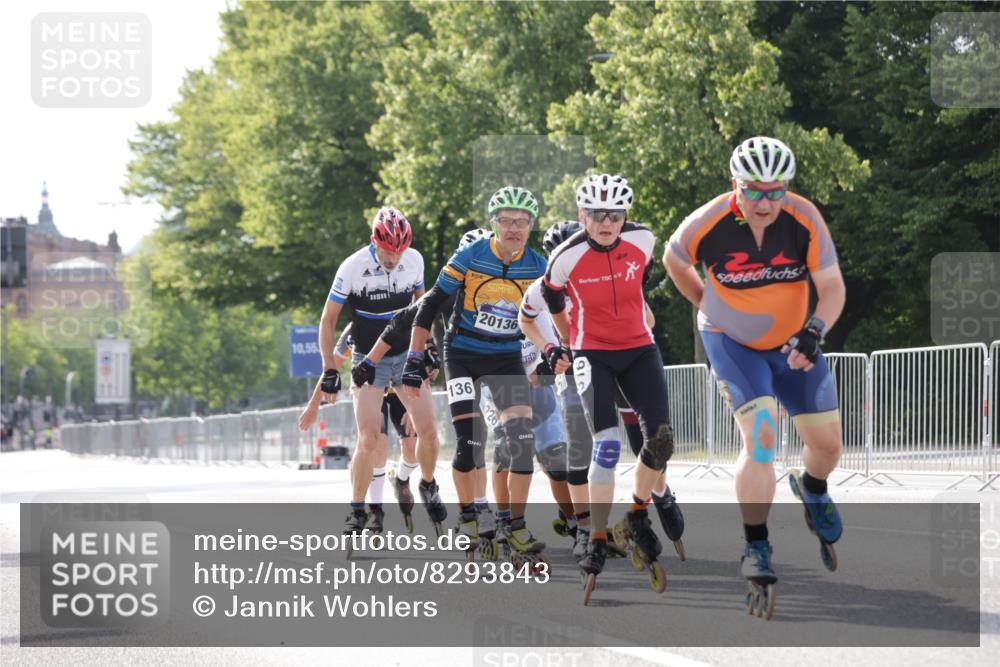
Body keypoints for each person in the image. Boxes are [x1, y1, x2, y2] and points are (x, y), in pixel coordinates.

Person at [663, 136, 846, 610]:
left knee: (829, 447)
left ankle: (812, 486)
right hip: (733, 344)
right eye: (754, 190)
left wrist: (815, 330)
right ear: (735, 186)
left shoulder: (804, 218)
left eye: (775, 190)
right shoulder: (709, 221)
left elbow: (831, 287)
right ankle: (756, 543)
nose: (765, 202)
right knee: (763, 439)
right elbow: (673, 258)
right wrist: (704, 299)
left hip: (793, 344)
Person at [522, 220, 685, 563]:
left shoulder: (608, 271)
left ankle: (661, 492)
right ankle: (587, 531)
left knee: (648, 440)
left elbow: (649, 321)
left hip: (621, 358)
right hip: (578, 367)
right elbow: (526, 319)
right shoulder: (543, 287)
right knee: (585, 448)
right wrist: (552, 348)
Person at [401, 186, 549, 560]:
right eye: (506, 221)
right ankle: (467, 515)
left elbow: (557, 310)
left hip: (506, 357)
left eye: (522, 222)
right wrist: (415, 358)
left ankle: (514, 526)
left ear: (531, 225)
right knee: (469, 444)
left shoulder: (538, 265)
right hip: (464, 354)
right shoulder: (472, 254)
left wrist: (558, 348)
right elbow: (430, 303)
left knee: (521, 444)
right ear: (493, 224)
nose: (514, 228)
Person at [318, 206, 442, 537]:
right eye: (387, 251)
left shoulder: (414, 260)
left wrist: (427, 349)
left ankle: (427, 484)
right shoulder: (353, 267)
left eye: (398, 251)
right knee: (368, 438)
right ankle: (357, 510)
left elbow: (422, 307)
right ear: (375, 242)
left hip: (404, 356)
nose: (393, 258)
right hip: (367, 358)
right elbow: (328, 320)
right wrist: (330, 369)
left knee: (429, 433)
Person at [300, 323, 419, 534]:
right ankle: (376, 508)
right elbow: (332, 367)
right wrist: (313, 405)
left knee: (412, 446)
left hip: (399, 387)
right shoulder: (355, 328)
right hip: (371, 389)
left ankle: (401, 479)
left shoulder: (404, 320)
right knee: (377, 445)